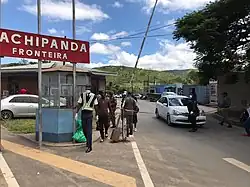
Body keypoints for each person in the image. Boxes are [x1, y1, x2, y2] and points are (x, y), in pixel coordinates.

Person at [75, 86, 98, 153]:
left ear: (90, 90)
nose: (87, 90)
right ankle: (88, 141)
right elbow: (79, 104)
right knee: (84, 129)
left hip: (89, 113)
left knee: (89, 130)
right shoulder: (82, 95)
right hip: (83, 113)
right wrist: (76, 112)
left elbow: (96, 106)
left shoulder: (94, 96)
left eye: (88, 89)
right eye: (87, 89)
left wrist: (97, 115)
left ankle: (89, 147)